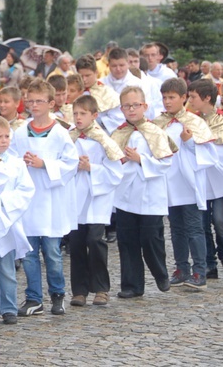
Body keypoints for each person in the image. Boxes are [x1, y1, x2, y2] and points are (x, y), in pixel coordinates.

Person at [12, 79, 79, 317]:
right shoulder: (20, 132)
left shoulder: (60, 133)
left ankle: (57, 294)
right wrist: (21, 164)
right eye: (30, 100)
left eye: (39, 101)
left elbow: (71, 165)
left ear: (51, 103)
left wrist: (44, 164)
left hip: (51, 202)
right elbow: (10, 159)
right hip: (29, 201)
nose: (34, 105)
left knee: (52, 252)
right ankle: (33, 298)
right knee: (29, 253)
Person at [110, 86, 173, 298]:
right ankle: (132, 285)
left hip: (150, 193)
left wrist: (141, 160)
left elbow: (165, 162)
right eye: (127, 106)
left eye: (135, 105)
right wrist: (123, 160)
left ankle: (160, 272)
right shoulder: (118, 133)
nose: (131, 109)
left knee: (150, 238)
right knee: (127, 241)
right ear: (121, 108)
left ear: (144, 106)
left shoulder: (155, 131)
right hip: (126, 195)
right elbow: (109, 162)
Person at [152, 77, 215, 290]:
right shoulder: (158, 123)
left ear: (183, 97)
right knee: (176, 228)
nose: (167, 102)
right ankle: (181, 268)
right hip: (169, 183)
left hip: (188, 184)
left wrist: (189, 142)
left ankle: (200, 270)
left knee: (194, 228)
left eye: (172, 97)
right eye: (164, 98)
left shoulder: (195, 122)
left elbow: (208, 155)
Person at [68, 95, 124, 307]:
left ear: (94, 115)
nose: (78, 118)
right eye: (75, 114)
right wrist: (75, 166)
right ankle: (79, 290)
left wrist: (91, 168)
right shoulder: (69, 138)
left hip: (96, 199)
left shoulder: (103, 140)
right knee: (76, 243)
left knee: (95, 241)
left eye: (82, 114)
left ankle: (101, 288)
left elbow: (115, 172)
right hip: (76, 198)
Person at [0, 115, 35, 326]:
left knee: (6, 268)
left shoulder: (16, 164)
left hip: (7, 222)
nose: (4, 141)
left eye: (7, 136)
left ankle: (9, 307)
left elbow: (26, 189)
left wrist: (4, 203)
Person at [187, 79, 223, 279]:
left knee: (219, 220)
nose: (190, 101)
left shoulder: (221, 120)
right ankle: (209, 263)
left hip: (219, 179)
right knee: (201, 224)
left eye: (193, 97)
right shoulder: (192, 121)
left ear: (207, 98)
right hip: (200, 178)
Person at [75, 54, 123, 134]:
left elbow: (117, 118)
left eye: (87, 75)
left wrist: (96, 122)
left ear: (96, 72)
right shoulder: (72, 92)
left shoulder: (107, 92)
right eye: (81, 76)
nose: (84, 79)